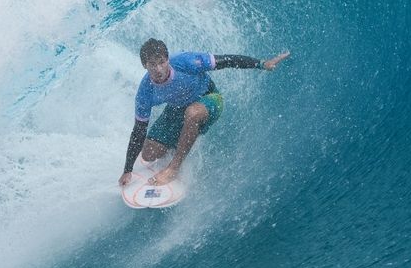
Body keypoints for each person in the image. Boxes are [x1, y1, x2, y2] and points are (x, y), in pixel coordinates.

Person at [118, 38, 290, 187]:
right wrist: (127, 170)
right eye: (152, 65)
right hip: (177, 108)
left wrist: (261, 64)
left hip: (209, 98)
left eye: (162, 62)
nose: (159, 69)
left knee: (193, 113)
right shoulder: (145, 92)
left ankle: (174, 168)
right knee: (148, 154)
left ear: (167, 59)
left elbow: (226, 61)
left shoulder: (186, 61)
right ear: (144, 65)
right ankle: (182, 141)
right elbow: (139, 131)